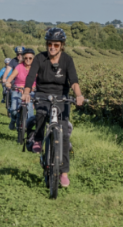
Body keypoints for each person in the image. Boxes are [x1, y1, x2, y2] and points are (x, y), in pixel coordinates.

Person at [23, 29, 84, 188]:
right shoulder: (39, 58)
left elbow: (74, 81)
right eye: (49, 44)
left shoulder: (67, 60)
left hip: (61, 97)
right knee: (41, 115)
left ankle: (64, 172)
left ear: (62, 45)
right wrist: (27, 92)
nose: (52, 47)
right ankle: (37, 138)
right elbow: (31, 78)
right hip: (43, 95)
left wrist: (78, 95)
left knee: (63, 135)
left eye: (56, 44)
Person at [4, 47, 36, 131]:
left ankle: (29, 128)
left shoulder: (35, 68)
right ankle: (13, 120)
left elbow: (40, 80)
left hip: (30, 91)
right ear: (23, 58)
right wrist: (8, 82)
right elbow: (11, 77)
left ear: (33, 59)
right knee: (14, 110)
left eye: (30, 58)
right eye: (26, 58)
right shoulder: (19, 67)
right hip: (17, 90)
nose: (28, 60)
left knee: (30, 108)